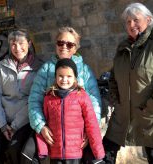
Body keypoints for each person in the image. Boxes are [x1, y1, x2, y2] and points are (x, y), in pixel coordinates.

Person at [103, 3, 153, 164]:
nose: (131, 24)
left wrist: (152, 107)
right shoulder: (123, 48)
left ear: (148, 20)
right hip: (123, 114)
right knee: (106, 152)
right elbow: (113, 77)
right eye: (128, 21)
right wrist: (115, 99)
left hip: (152, 115)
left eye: (135, 20)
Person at [28, 26, 102, 163]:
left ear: (76, 47)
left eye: (70, 44)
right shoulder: (46, 69)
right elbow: (34, 101)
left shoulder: (85, 71)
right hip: (55, 135)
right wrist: (41, 126)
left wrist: (89, 132)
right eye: (60, 43)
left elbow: (94, 102)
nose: (64, 47)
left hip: (77, 136)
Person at [0, 28, 43, 164]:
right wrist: (3, 125)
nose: (17, 48)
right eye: (13, 44)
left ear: (29, 43)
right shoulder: (2, 66)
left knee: (15, 150)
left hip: (25, 121)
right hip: (3, 121)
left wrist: (15, 125)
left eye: (21, 43)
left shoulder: (39, 67)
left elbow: (35, 100)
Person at [36, 58, 105, 164]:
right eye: (60, 76)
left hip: (75, 154)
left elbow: (92, 124)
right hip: (55, 153)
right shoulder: (49, 98)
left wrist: (98, 153)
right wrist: (43, 150)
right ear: (55, 77)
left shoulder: (81, 96)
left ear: (75, 78)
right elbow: (43, 123)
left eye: (69, 76)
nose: (64, 79)